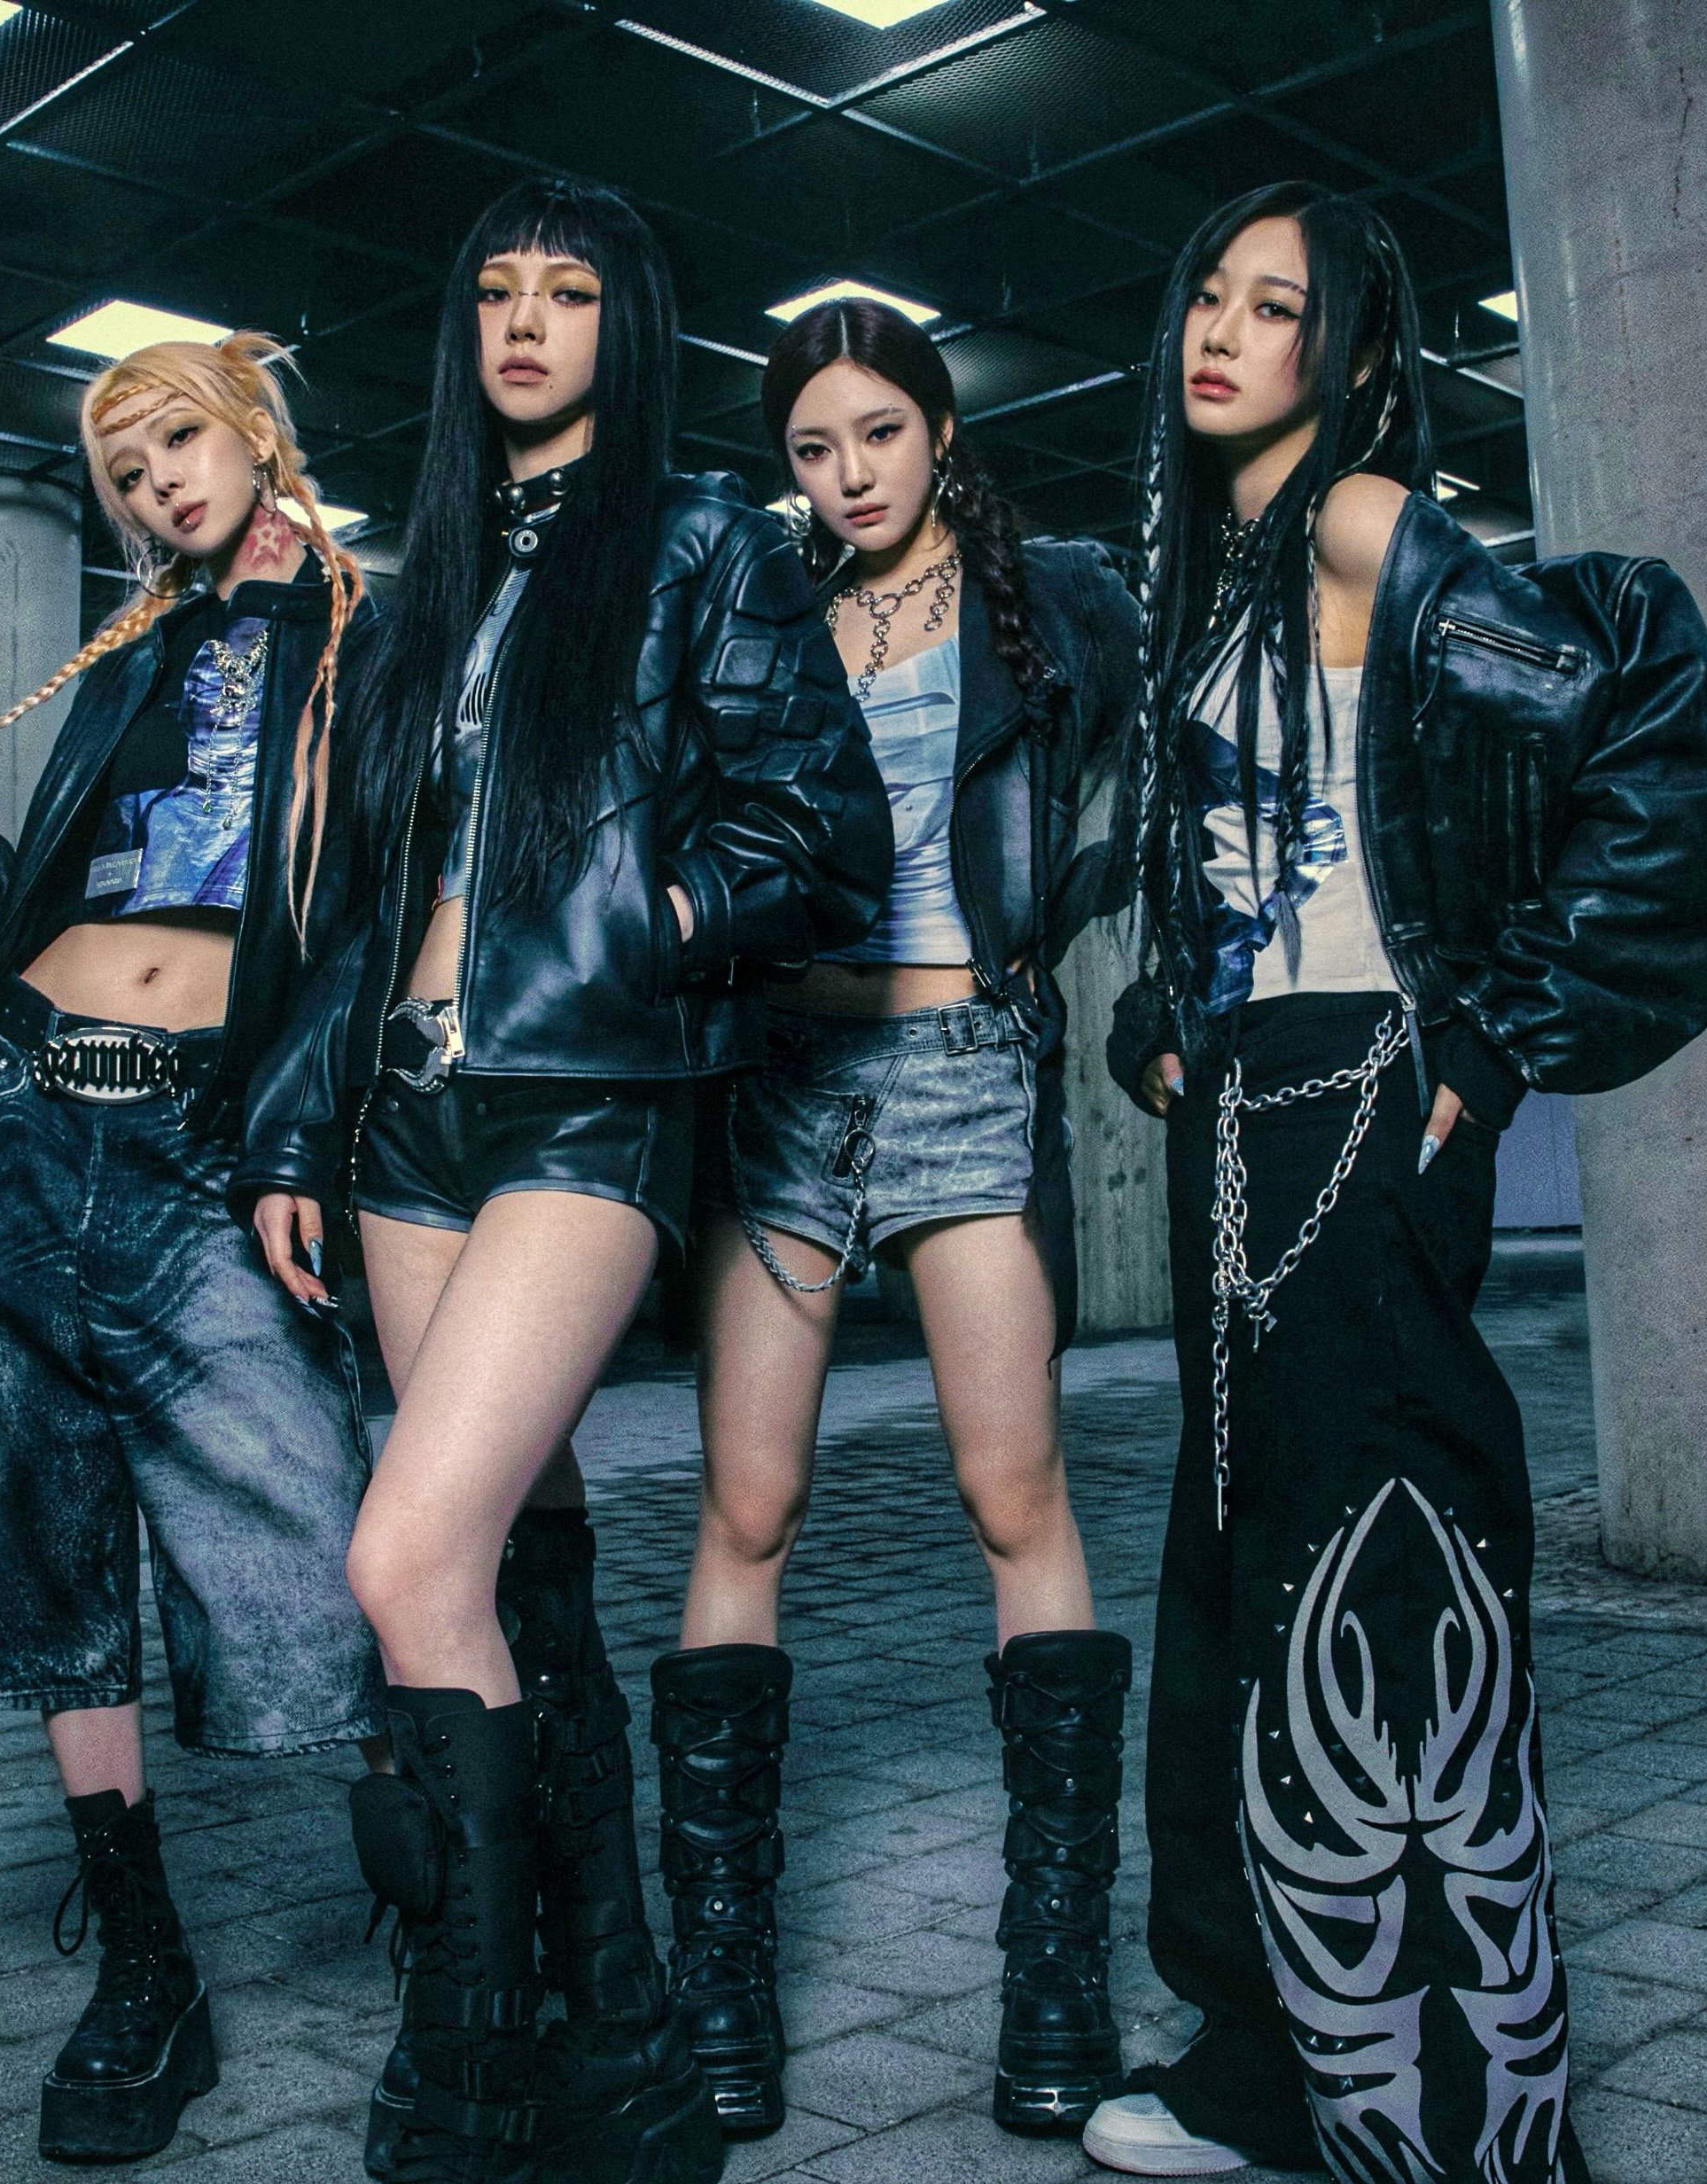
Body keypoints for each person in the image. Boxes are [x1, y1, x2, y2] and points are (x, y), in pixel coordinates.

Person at [1078, 183, 1707, 2181]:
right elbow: (1262, 848)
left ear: (1357, 351)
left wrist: (1497, 1029)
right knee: (1245, 1571)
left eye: (1273, 306)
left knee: (1381, 1578)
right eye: (1206, 292)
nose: (1220, 331)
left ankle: (1459, 2120)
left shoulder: (1362, 522)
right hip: (1251, 1103)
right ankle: (1270, 2069)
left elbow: (1641, 713)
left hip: (1364, 1100)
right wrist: (1168, 1010)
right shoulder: (1223, 564)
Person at [235, 178, 892, 2184]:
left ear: (628, 323)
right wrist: (294, 1127)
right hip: (406, 1116)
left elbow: (822, 833)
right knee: (514, 1574)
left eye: (572, 291)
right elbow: (363, 902)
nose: (526, 321)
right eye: (497, 292)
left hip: (585, 1107)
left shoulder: (701, 541)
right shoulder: (419, 585)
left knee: (399, 1563)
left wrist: (651, 923)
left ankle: (468, 2064)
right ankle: (621, 2041)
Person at [0, 333, 385, 2165]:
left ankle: (439, 1868)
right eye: (121, 469)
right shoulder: (128, 653)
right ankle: (145, 1964)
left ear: (254, 432)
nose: (153, 483)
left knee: (320, 1526)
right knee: (42, 1539)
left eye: (176, 441)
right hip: (23, 1115)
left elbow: (374, 917)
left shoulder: (373, 632)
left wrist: (295, 1138)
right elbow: (25, 911)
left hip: (208, 1136)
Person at [651, 297, 1142, 2145]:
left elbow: (1162, 783)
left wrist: (1098, 941)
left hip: (962, 1071)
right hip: (781, 1079)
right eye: (811, 448)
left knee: (1014, 1496)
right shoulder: (756, 605)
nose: (849, 474)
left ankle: (1054, 1980)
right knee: (747, 1504)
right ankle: (718, 1986)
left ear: (938, 428)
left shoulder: (1058, 596)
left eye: (878, 433)